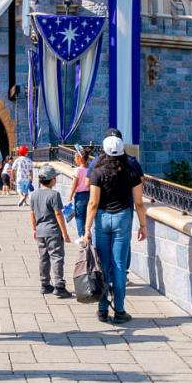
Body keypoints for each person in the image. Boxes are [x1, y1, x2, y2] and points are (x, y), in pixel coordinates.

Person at [80, 135, 148, 324]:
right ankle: (119, 311)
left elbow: (93, 203)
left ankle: (102, 310)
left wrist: (87, 228)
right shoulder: (130, 170)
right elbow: (139, 203)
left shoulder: (97, 171)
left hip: (102, 219)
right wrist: (143, 225)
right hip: (122, 218)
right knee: (119, 266)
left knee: (103, 265)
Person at [30, 165, 72, 298]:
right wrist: (65, 233)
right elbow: (58, 214)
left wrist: (34, 229)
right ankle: (59, 285)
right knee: (57, 257)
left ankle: (45, 284)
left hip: (41, 231)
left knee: (43, 258)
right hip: (53, 231)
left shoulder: (34, 194)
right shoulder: (54, 194)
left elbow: (32, 213)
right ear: (52, 180)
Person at [68, 148, 91, 237]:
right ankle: (87, 235)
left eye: (75, 158)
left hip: (80, 196)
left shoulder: (78, 170)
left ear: (80, 159)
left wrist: (70, 196)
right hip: (88, 195)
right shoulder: (89, 169)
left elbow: (75, 184)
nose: (74, 160)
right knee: (86, 216)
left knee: (79, 217)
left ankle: (82, 236)